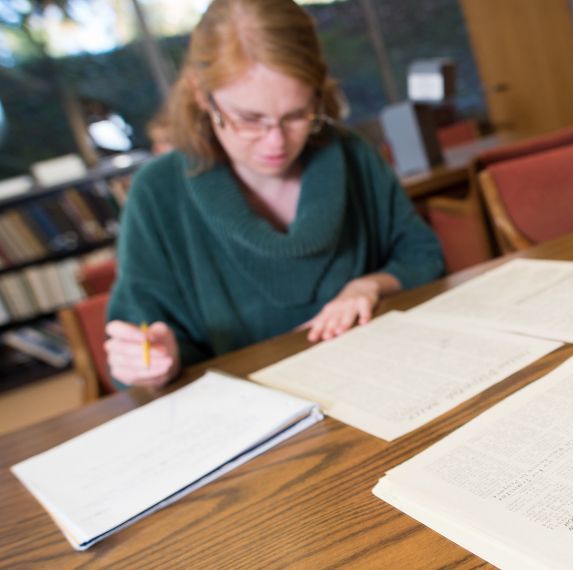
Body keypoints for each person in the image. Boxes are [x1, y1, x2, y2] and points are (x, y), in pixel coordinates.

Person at [104, 0, 444, 389]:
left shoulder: (350, 153)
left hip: (382, 381)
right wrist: (156, 359)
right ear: (201, 95)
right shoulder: (156, 193)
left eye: (298, 115)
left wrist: (370, 285)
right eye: (250, 119)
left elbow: (422, 254)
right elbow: (138, 341)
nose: (276, 142)